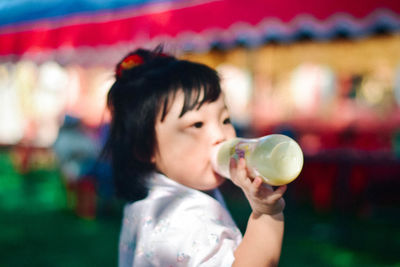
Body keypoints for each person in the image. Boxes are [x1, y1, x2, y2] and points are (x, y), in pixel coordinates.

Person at [102, 47, 287, 267]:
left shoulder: (148, 202)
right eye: (196, 124)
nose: (220, 135)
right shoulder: (191, 218)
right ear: (145, 149)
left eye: (225, 119)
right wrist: (267, 213)